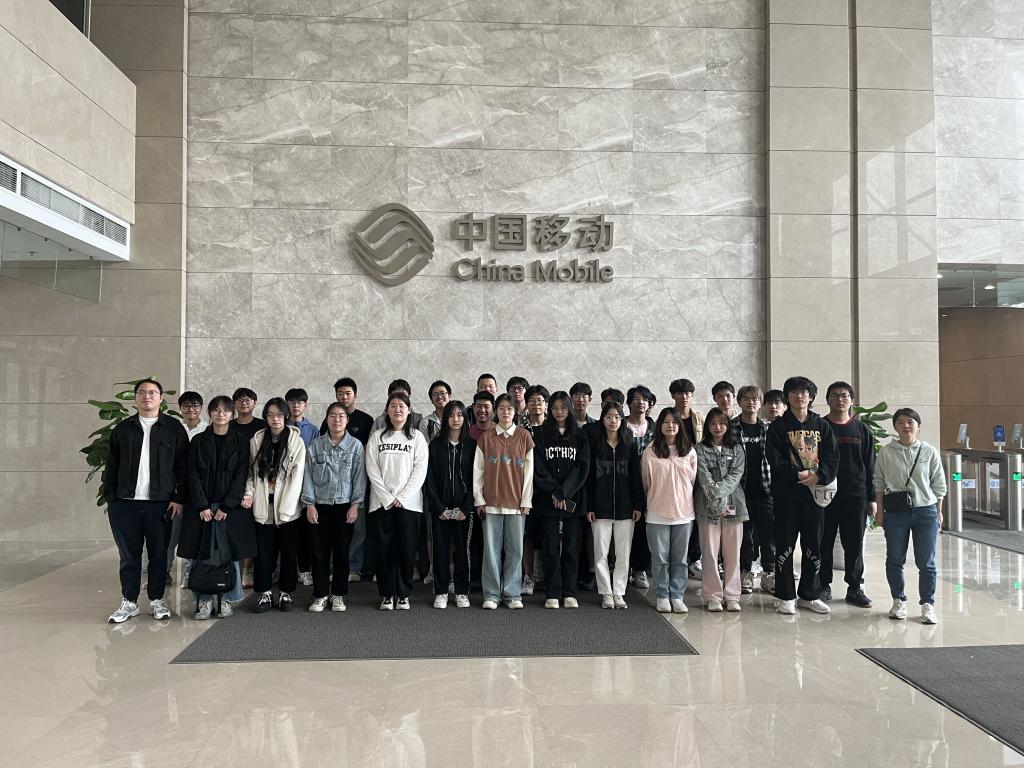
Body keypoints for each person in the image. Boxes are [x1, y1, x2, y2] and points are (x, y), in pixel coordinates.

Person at [104, 378, 189, 624]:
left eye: (152, 392)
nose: (147, 396)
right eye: (142, 392)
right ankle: (129, 602)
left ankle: (156, 600)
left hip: (160, 504)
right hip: (125, 503)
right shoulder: (123, 428)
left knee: (159, 554)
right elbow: (112, 466)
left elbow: (183, 466)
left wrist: (179, 498)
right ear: (135, 398)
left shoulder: (173, 428)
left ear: (161, 398)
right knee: (128, 556)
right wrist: (112, 499)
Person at [765, 376, 839, 616]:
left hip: (814, 497)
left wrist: (819, 476)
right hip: (786, 496)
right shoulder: (778, 427)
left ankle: (810, 594)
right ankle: (785, 595)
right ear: (787, 397)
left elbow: (832, 457)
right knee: (785, 546)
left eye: (804, 392)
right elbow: (774, 459)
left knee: (813, 545)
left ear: (811, 397)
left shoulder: (821, 425)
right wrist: (798, 474)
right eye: (794, 392)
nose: (799, 396)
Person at [178, 395, 255, 619]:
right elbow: (192, 475)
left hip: (229, 509)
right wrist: (202, 505)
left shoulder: (241, 441)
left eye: (225, 411)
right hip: (201, 508)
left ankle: (226, 600)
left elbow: (241, 475)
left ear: (232, 414)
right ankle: (203, 601)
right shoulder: (198, 441)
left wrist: (227, 506)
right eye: (216, 410)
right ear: (210, 413)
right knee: (200, 554)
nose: (221, 414)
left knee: (229, 555)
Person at [874, 408, 947, 625]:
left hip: (926, 511)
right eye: (901, 422)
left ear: (918, 426)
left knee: (926, 562)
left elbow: (939, 484)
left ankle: (928, 604)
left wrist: (939, 511)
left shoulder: (929, 451)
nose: (906, 426)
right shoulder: (886, 452)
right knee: (895, 558)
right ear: (895, 427)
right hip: (896, 512)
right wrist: (879, 511)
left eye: (910, 422)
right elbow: (879, 483)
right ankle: (898, 601)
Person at [365, 392, 429, 611]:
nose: (398, 409)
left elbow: (420, 470)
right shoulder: (378, 437)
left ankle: (403, 594)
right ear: (387, 410)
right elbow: (372, 469)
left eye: (402, 406)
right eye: (393, 405)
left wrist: (402, 497)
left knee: (406, 550)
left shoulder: (417, 438)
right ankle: (386, 595)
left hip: (409, 504)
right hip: (381, 503)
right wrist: (387, 497)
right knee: (383, 551)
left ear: (409, 411)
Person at [243, 398, 307, 613]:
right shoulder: (257, 440)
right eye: (270, 415)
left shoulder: (296, 440)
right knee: (263, 553)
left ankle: (286, 593)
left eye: (279, 415)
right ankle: (265, 594)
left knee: (288, 552)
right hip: (263, 505)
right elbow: (250, 473)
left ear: (286, 416)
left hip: (288, 507)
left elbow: (298, 477)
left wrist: (287, 508)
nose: (275, 419)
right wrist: (249, 493)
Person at [301, 403, 365, 613]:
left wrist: (355, 506)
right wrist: (310, 505)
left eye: (341, 416)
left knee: (342, 553)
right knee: (319, 552)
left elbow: (359, 478)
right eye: (332, 416)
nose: (337, 420)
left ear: (347, 420)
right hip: (320, 506)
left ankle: (338, 595)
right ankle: (320, 595)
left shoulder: (355, 446)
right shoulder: (315, 445)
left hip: (344, 506)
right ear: (327, 419)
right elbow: (307, 476)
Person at [474, 393, 535, 610]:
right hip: (491, 502)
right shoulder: (486, 437)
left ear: (515, 411)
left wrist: (526, 499)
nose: (506, 412)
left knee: (515, 551)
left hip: (517, 504)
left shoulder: (524, 436)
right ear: (496, 411)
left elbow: (529, 472)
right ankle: (491, 594)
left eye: (510, 408)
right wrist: (479, 499)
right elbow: (478, 471)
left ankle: (512, 593)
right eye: (501, 408)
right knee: (491, 551)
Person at [533, 391, 591, 609]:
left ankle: (569, 592)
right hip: (548, 500)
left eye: (563, 407)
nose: (559, 412)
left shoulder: (580, 435)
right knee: (550, 548)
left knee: (571, 548)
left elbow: (582, 468)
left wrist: (563, 493)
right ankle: (552, 593)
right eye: (555, 408)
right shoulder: (540, 434)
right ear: (550, 410)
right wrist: (554, 492)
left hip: (572, 500)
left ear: (570, 409)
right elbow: (538, 467)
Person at [821, 381, 875, 608]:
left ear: (852, 400)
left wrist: (872, 498)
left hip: (855, 495)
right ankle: (822, 585)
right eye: (834, 395)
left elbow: (870, 466)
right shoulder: (820, 427)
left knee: (854, 544)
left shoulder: (862, 430)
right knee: (823, 542)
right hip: (824, 495)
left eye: (844, 395)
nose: (840, 399)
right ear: (827, 400)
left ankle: (855, 587)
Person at [641, 406, 697, 614]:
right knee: (660, 559)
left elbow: (692, 481)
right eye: (665, 422)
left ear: (680, 425)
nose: (670, 426)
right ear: (659, 426)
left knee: (680, 560)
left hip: (684, 513)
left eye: (674, 422)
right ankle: (662, 595)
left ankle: (678, 596)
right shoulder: (650, 451)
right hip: (657, 512)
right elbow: (646, 482)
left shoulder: (689, 451)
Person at [588, 402, 643, 609]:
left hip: (625, 508)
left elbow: (636, 478)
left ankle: (619, 592)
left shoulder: (629, 444)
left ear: (622, 420)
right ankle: (606, 593)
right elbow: (589, 478)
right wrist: (590, 506)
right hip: (600, 508)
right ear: (602, 420)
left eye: (617, 417)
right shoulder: (595, 445)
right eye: (609, 417)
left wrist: (638, 505)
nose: (613, 421)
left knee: (623, 553)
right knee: (601, 553)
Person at [321, 377, 375, 584]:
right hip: (332, 486)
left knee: (359, 528)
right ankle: (334, 567)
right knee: (335, 530)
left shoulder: (366, 420)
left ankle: (354, 567)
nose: (344, 397)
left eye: (348, 393)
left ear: (355, 395)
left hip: (359, 481)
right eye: (340, 393)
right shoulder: (328, 421)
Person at [695, 408, 747, 612]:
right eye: (713, 423)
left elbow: (736, 476)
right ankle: (713, 596)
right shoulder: (699, 448)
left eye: (722, 423)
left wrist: (718, 493)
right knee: (709, 552)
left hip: (734, 504)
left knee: (733, 552)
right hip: (706, 506)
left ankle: (732, 595)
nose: (717, 427)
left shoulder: (737, 449)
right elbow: (702, 475)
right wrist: (714, 495)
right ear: (707, 426)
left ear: (728, 425)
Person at [424, 400, 475, 609]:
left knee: (463, 551)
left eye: (460, 415)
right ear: (445, 419)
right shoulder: (435, 446)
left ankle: (462, 591)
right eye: (451, 415)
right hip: (441, 510)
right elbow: (429, 480)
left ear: (465, 418)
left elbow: (477, 480)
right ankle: (441, 591)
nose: (456, 419)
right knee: (440, 551)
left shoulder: (472, 446)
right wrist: (438, 508)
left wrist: (466, 508)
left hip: (464, 510)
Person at [732, 385, 775, 594]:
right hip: (739, 492)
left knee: (769, 536)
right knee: (744, 537)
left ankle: (769, 573)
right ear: (739, 401)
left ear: (761, 404)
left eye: (755, 399)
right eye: (746, 399)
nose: (751, 402)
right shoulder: (731, 427)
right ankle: (745, 572)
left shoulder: (768, 428)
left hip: (766, 491)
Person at [167, 390, 207, 585]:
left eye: (195, 405)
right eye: (186, 406)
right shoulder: (174, 429)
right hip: (175, 491)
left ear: (201, 408)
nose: (191, 409)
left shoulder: (208, 429)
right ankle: (163, 572)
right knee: (169, 536)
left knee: (194, 536)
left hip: (199, 492)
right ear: (180, 408)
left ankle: (190, 574)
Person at [669, 378, 703, 577]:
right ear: (673, 396)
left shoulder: (699, 420)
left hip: (696, 474)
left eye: (688, 393)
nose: (684, 397)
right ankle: (676, 560)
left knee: (696, 516)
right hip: (674, 475)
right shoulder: (669, 418)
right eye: (680, 393)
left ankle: (694, 558)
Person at [286, 387, 319, 588]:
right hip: (285, 486)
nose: (296, 406)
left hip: (306, 485)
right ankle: (287, 570)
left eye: (299, 402)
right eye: (292, 402)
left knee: (307, 532)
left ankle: (305, 569)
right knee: (288, 531)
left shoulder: (313, 429)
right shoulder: (281, 426)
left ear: (305, 405)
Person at [626, 385, 656, 589]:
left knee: (643, 528)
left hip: (650, 484)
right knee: (625, 527)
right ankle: (624, 567)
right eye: (636, 399)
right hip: (625, 483)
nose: (641, 402)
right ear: (629, 403)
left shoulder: (655, 428)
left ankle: (640, 569)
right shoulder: (620, 426)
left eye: (644, 399)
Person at [521, 384, 549, 595]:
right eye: (531, 401)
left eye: (540, 401)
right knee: (527, 534)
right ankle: (529, 575)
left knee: (548, 533)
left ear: (546, 404)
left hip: (549, 489)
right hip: (526, 488)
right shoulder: (520, 428)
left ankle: (546, 574)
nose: (536, 404)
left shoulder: (553, 428)